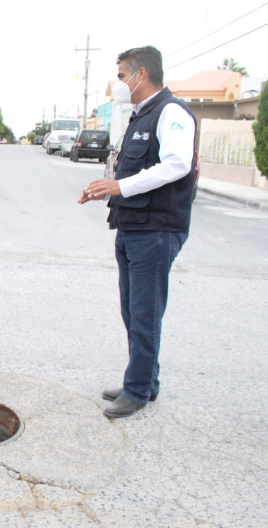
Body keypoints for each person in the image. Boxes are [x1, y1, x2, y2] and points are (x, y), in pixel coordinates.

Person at [78, 46, 197, 419]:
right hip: (133, 226)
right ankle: (146, 380)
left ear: (141, 75)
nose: (119, 84)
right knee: (134, 311)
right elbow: (135, 172)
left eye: (121, 76)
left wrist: (120, 187)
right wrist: (106, 188)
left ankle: (137, 389)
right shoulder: (141, 115)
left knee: (144, 312)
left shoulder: (171, 112)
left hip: (156, 230)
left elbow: (176, 165)